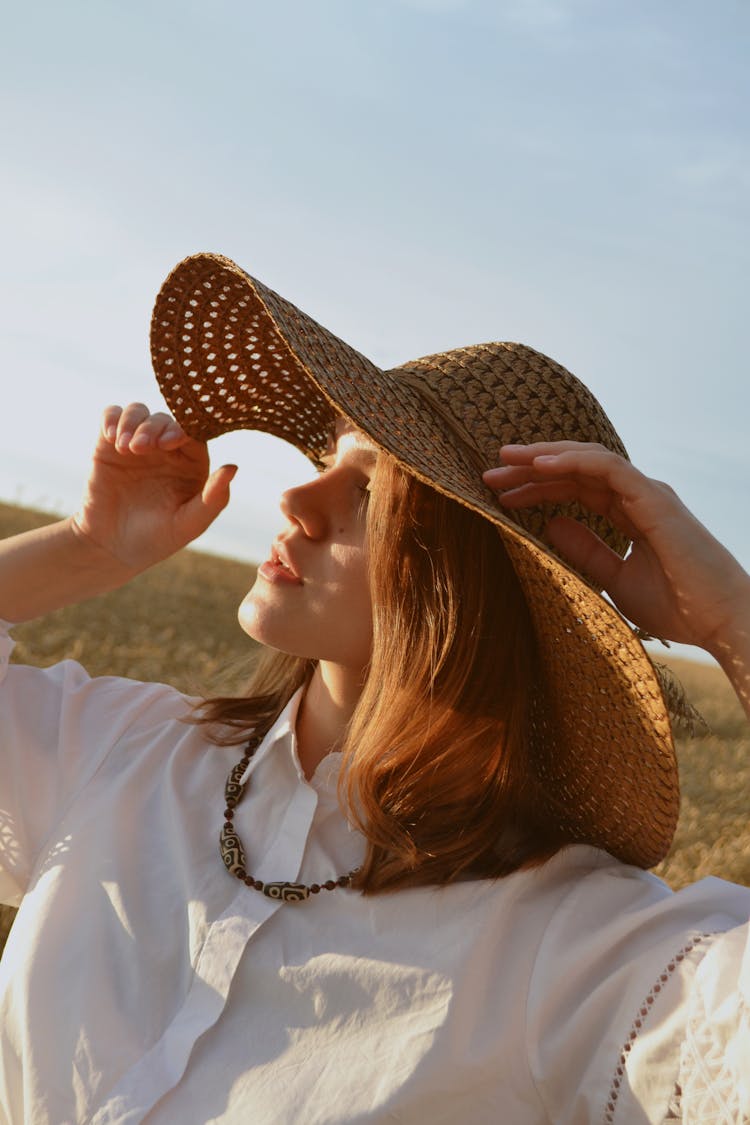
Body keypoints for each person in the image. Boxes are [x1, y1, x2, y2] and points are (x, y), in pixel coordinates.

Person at [0, 252, 748, 1124]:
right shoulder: (129, 752)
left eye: (370, 492)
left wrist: (732, 621)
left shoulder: (570, 947)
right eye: (324, 455)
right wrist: (89, 547)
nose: (297, 499)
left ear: (468, 588)